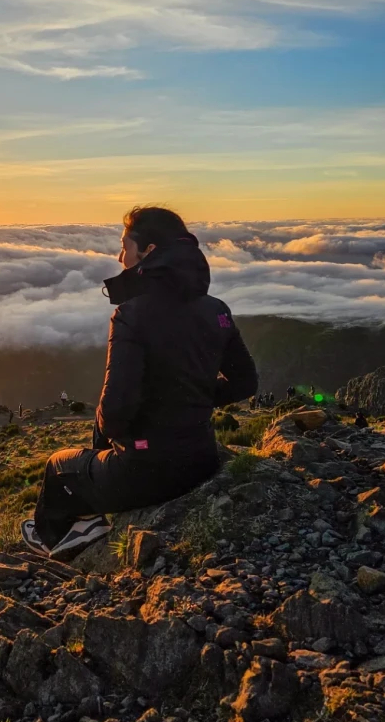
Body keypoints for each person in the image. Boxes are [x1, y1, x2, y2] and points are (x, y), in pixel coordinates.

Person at [22, 206, 258, 559]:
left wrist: (115, 425)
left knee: (58, 466)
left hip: (145, 474)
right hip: (202, 458)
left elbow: (115, 411)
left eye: (124, 247)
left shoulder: (131, 314)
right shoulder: (217, 309)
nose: (119, 257)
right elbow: (245, 383)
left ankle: (53, 538)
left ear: (148, 252)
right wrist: (191, 400)